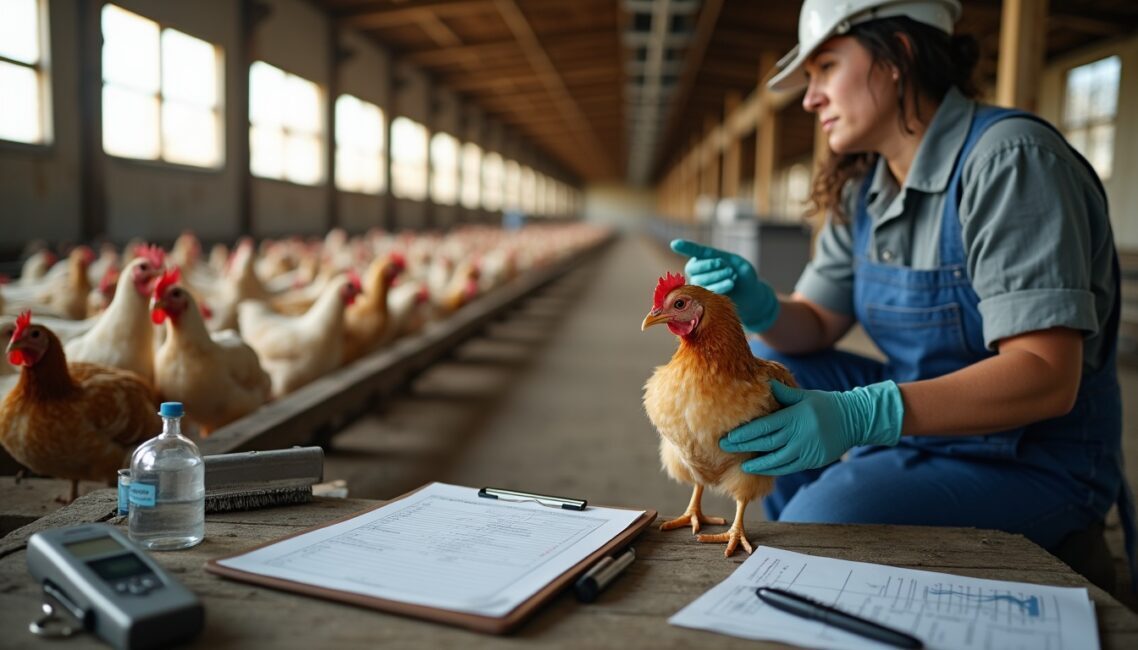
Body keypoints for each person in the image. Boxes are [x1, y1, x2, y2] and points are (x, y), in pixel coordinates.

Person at [670, 0, 1131, 590]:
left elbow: (1046, 372)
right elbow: (815, 323)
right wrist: (756, 305)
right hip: (923, 428)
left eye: (826, 68)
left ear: (898, 56)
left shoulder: (1010, 161)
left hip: (1026, 455)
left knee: (822, 527)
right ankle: (859, 512)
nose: (810, 99)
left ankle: (1057, 543)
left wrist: (864, 415)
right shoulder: (865, 188)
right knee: (769, 372)